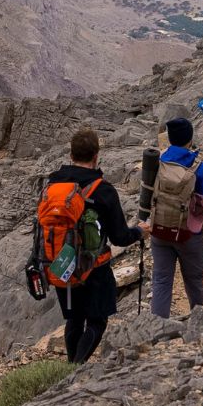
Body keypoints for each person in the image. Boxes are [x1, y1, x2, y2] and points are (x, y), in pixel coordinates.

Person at [45, 129, 146, 364]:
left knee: (74, 319)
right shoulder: (103, 190)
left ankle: (70, 367)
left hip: (61, 263)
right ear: (96, 157)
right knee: (97, 321)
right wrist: (140, 232)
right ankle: (75, 370)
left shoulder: (53, 183)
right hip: (94, 268)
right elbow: (120, 237)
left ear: (71, 155)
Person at [149, 117, 203, 318]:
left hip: (159, 231)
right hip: (188, 235)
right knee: (194, 280)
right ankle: (197, 323)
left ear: (170, 139)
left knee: (161, 281)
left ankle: (156, 330)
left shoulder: (158, 161)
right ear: (190, 140)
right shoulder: (199, 168)